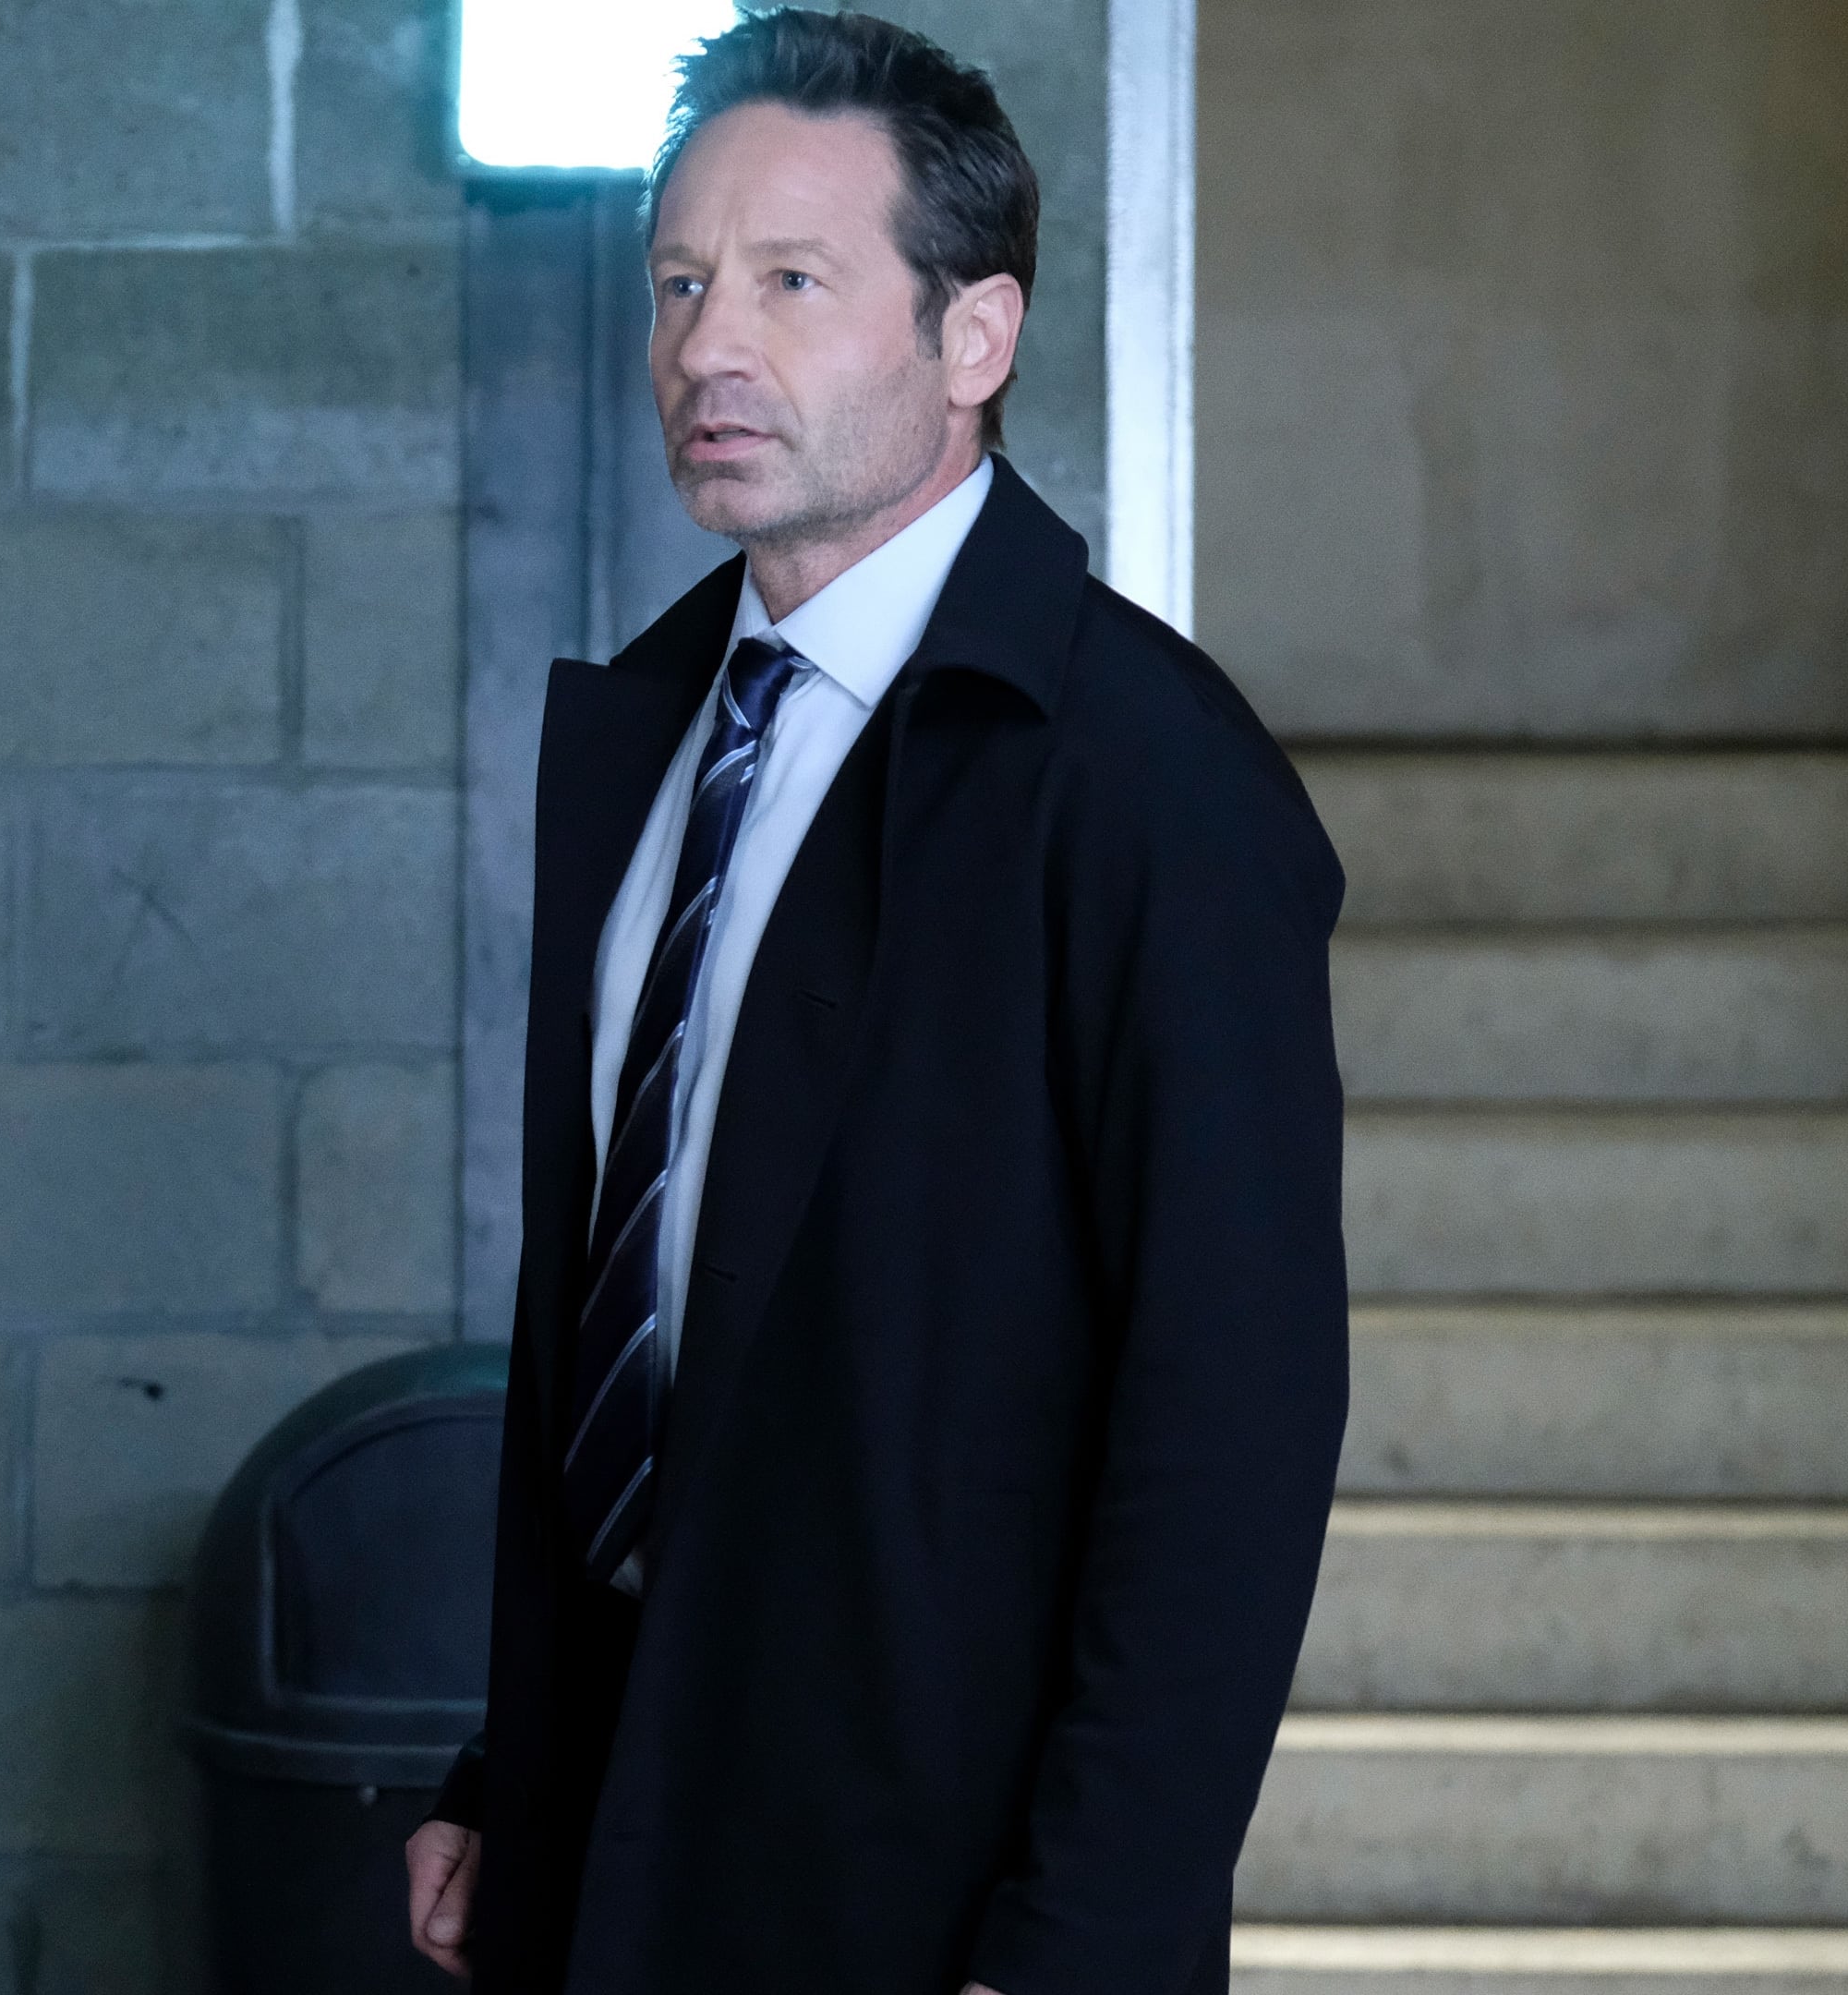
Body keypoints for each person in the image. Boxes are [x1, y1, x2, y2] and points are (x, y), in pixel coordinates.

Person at [401, 14, 1347, 1994]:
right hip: (625, 1840)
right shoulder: (659, 731)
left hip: (936, 1891)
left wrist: (1082, 1945)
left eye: (792, 283)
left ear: (973, 335)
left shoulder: (1151, 784)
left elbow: (1230, 1434)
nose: (706, 348)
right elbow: (644, 1328)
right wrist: (518, 1768)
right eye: (680, 283)